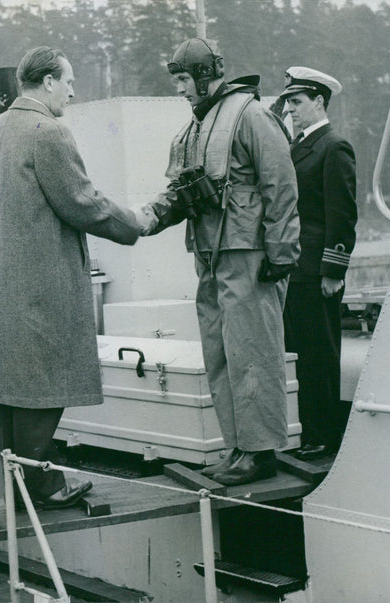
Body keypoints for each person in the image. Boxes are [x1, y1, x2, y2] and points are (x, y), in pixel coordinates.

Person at [0, 46, 152, 508]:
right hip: (40, 289)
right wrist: (136, 222)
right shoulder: (48, 132)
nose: (72, 92)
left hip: (0, 289)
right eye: (69, 82)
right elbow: (82, 203)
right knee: (43, 384)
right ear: (48, 81)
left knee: (15, 392)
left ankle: (23, 482)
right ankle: (41, 486)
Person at [143, 38, 300, 486]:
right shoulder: (194, 129)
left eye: (184, 79)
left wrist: (282, 252)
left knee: (252, 354)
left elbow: (281, 185)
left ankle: (261, 451)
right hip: (211, 257)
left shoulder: (250, 116)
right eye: (176, 80)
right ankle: (238, 448)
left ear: (206, 74)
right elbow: (178, 192)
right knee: (221, 354)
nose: (180, 89)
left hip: (249, 257)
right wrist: (148, 217)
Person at [281, 67, 357, 460]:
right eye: (288, 102)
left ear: (319, 102)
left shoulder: (333, 146)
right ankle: (309, 432)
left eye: (296, 102)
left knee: (319, 355)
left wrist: (333, 271)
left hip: (315, 271)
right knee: (300, 352)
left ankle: (325, 437)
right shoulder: (298, 146)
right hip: (295, 268)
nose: (290, 109)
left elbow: (341, 214)